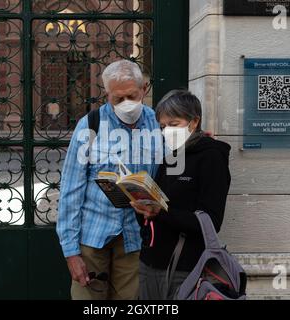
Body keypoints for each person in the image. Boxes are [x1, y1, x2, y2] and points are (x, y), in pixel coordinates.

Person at [57, 60, 161, 300]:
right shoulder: (90, 126)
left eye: (132, 96)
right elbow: (71, 190)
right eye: (118, 99)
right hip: (93, 237)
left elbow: (181, 154)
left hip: (136, 237)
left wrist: (201, 141)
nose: (126, 104)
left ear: (144, 88)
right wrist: (71, 252)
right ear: (107, 95)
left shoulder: (158, 123)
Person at [131, 89, 231, 300]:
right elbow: (159, 204)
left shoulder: (211, 158)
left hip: (185, 268)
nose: (166, 131)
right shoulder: (172, 155)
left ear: (193, 122)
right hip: (150, 263)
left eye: (173, 124)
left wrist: (161, 212)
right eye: (162, 126)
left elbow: (210, 221)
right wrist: (143, 207)